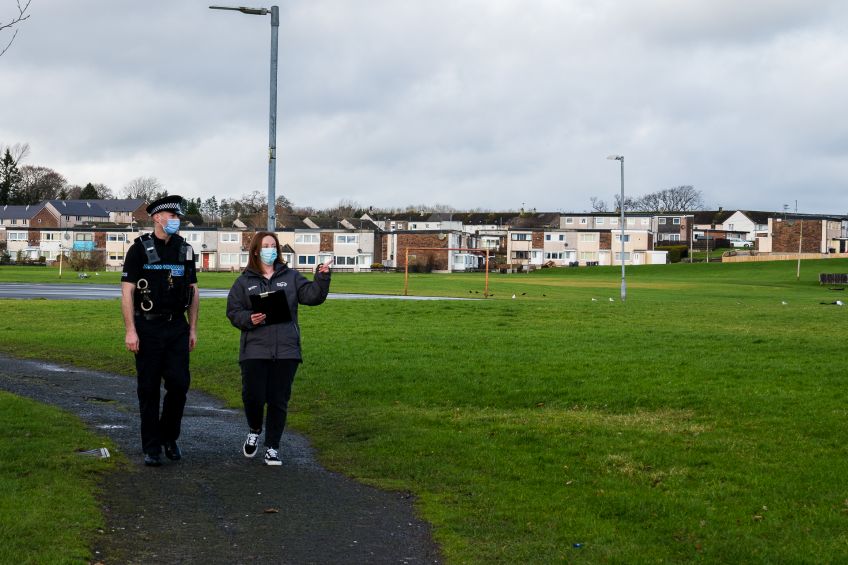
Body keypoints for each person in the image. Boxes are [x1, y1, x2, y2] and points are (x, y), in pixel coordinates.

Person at [226, 231, 331, 466]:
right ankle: (254, 428)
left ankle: (272, 447)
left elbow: (313, 296)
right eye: (265, 245)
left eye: (273, 245)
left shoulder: (291, 277)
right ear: (255, 250)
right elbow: (233, 311)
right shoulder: (244, 281)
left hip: (286, 350)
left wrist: (322, 278)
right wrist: (249, 318)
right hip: (254, 349)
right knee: (253, 396)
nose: (270, 249)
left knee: (278, 399)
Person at [121, 195, 199, 467]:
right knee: (149, 389)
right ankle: (151, 447)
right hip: (148, 326)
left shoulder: (185, 250)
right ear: (156, 217)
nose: (175, 221)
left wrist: (192, 328)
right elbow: (127, 292)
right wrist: (131, 330)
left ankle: (169, 436)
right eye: (170, 216)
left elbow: (193, 291)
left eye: (177, 217)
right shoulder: (139, 250)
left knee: (179, 385)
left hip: (176, 326)